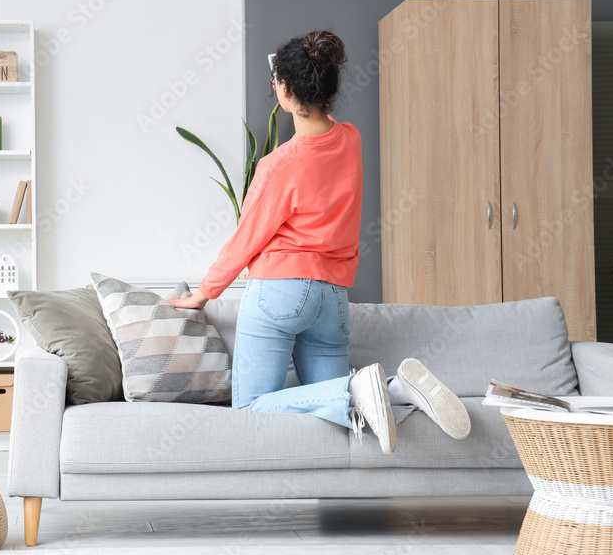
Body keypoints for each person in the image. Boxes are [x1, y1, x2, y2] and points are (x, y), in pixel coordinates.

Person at [168, 30, 470, 454]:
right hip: (333, 299)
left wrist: (203, 294)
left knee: (253, 407)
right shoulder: (351, 139)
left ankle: (368, 388)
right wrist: (294, 80)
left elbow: (246, 239)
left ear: (286, 90)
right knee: (341, 410)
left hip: (281, 292)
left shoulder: (279, 165)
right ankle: (395, 389)